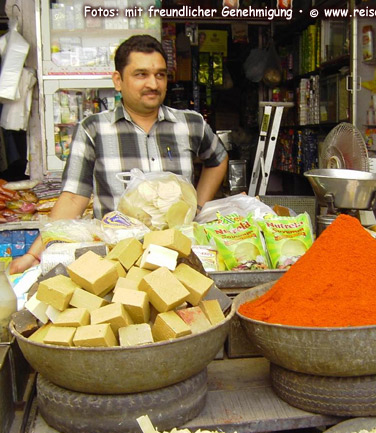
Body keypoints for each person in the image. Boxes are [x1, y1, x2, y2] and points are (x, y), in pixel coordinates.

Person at [10, 34, 228, 274]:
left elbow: (217, 158)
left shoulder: (190, 124)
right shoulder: (94, 129)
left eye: (160, 75)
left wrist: (197, 206)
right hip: (118, 262)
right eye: (141, 74)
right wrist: (33, 255)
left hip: (180, 259)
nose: (153, 84)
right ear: (118, 80)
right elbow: (73, 199)